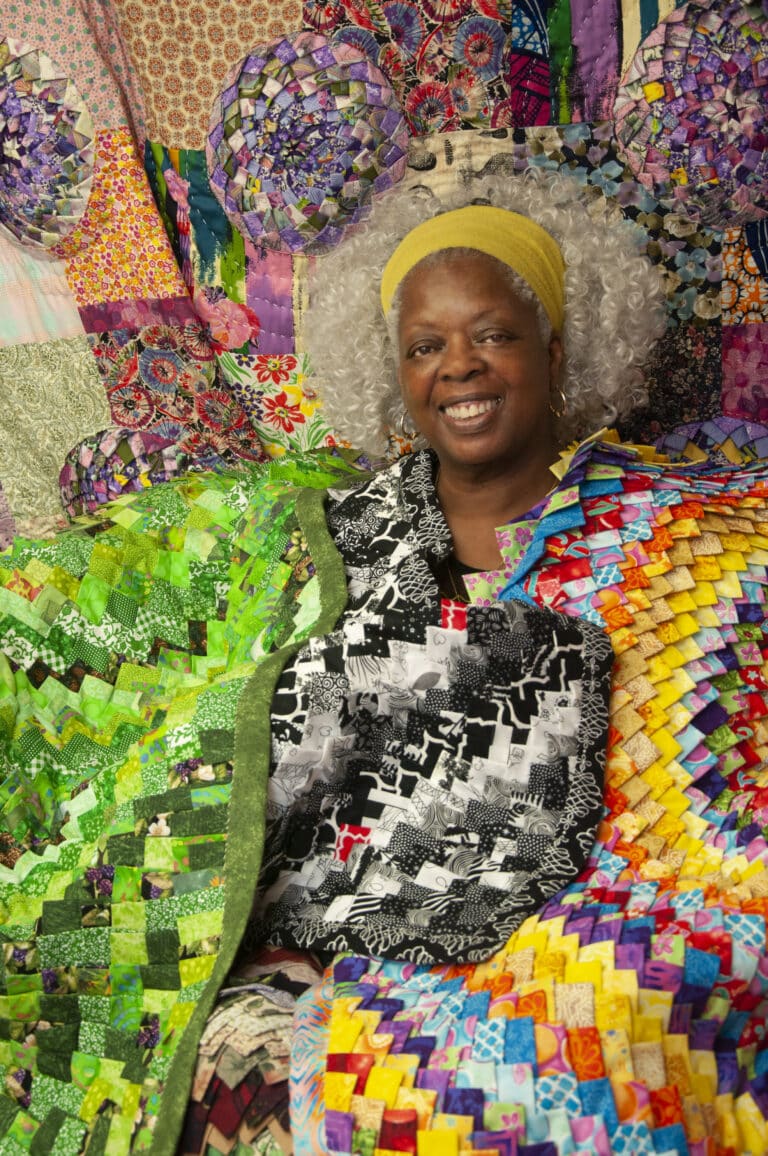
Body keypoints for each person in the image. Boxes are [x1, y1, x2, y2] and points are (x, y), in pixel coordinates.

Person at [0, 169, 679, 1156]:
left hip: (568, 951)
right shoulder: (323, 531)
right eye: (425, 345)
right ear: (395, 373)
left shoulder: (658, 536)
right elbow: (110, 610)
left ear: (556, 348)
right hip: (300, 953)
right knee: (245, 1076)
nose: (459, 365)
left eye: (490, 333)